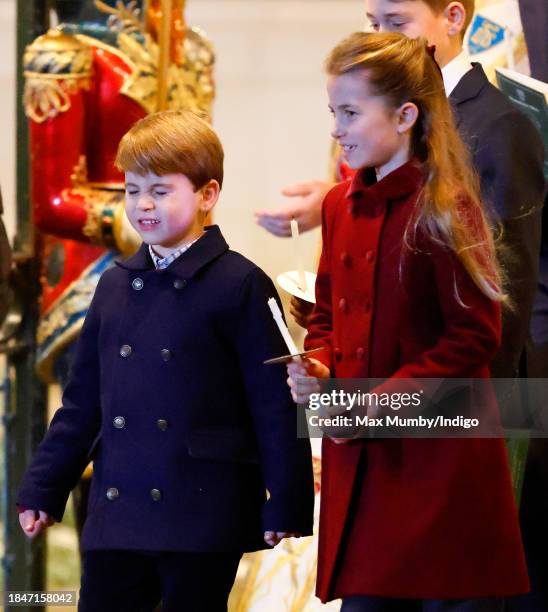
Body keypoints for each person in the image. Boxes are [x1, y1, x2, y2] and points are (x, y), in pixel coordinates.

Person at [17, 110, 314, 612]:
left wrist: (286, 499)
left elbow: (274, 405)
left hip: (202, 510)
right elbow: (84, 401)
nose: (143, 204)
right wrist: (44, 486)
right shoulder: (114, 285)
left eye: (160, 190)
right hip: (118, 512)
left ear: (207, 195)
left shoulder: (241, 284)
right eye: (133, 190)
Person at [287, 32, 529, 611]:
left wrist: (378, 404)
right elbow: (325, 314)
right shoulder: (338, 205)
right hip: (364, 465)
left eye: (349, 112)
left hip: (436, 467)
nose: (336, 129)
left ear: (404, 116)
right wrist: (318, 366)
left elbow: (475, 336)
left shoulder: (446, 206)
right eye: (333, 112)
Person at [258, 0, 545, 381]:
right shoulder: (374, 109)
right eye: (373, 24)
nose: (381, 38)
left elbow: (503, 286)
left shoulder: (500, 125)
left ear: (453, 18)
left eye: (396, 22)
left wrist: (485, 415)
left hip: (460, 399)